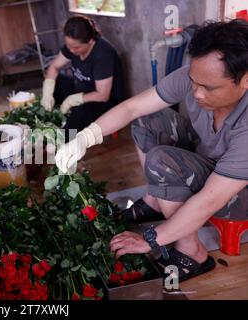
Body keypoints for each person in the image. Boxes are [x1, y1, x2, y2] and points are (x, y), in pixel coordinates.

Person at [54, 19, 248, 282]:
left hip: (237, 194)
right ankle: (156, 199)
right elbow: (132, 108)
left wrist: (150, 240)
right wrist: (85, 138)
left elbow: (210, 199)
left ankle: (194, 253)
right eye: (194, 82)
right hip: (209, 159)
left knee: (161, 161)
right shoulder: (199, 76)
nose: (197, 93)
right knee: (148, 121)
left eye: (209, 88)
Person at [41, 15, 125, 139]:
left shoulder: (103, 54)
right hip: (83, 89)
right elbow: (54, 67)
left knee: (80, 114)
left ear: (90, 41)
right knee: (56, 82)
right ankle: (54, 119)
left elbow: (103, 95)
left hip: (105, 101)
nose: (71, 50)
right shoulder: (73, 45)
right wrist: (47, 93)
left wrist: (73, 100)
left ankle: (63, 141)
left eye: (76, 47)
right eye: (68, 46)